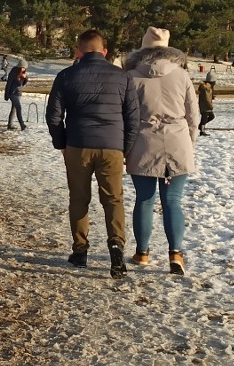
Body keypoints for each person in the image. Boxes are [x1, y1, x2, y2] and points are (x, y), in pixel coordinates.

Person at [46, 29, 140, 278]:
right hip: (112, 146)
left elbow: (54, 116)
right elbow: (133, 118)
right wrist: (125, 148)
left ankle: (80, 250)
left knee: (79, 198)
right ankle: (116, 245)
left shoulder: (66, 76)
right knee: (113, 199)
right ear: (105, 51)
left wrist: (62, 143)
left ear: (78, 51)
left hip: (78, 144)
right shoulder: (123, 77)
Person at [124, 26, 199, 276]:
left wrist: (126, 147)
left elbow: (127, 116)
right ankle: (176, 252)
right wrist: (189, 141)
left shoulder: (132, 76)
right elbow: (193, 116)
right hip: (178, 141)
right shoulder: (182, 76)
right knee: (173, 201)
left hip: (143, 142)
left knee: (144, 201)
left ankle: (142, 252)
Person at [4, 58, 29, 131]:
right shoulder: (14, 72)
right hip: (13, 93)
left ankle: (9, 125)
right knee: (18, 107)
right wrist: (6, 94)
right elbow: (9, 83)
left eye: (24, 68)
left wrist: (25, 78)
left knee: (14, 108)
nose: (23, 69)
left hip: (18, 93)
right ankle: (22, 124)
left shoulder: (24, 73)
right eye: (22, 67)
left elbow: (23, 84)